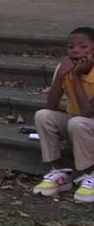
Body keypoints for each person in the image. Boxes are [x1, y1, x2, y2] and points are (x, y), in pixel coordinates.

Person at [32, 27, 94, 203]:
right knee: (43, 115)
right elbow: (51, 105)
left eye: (83, 47)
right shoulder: (64, 68)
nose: (75, 51)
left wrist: (76, 77)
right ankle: (59, 173)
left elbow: (87, 112)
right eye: (71, 47)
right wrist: (61, 76)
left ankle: (90, 174)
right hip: (78, 125)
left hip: (85, 123)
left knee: (78, 122)